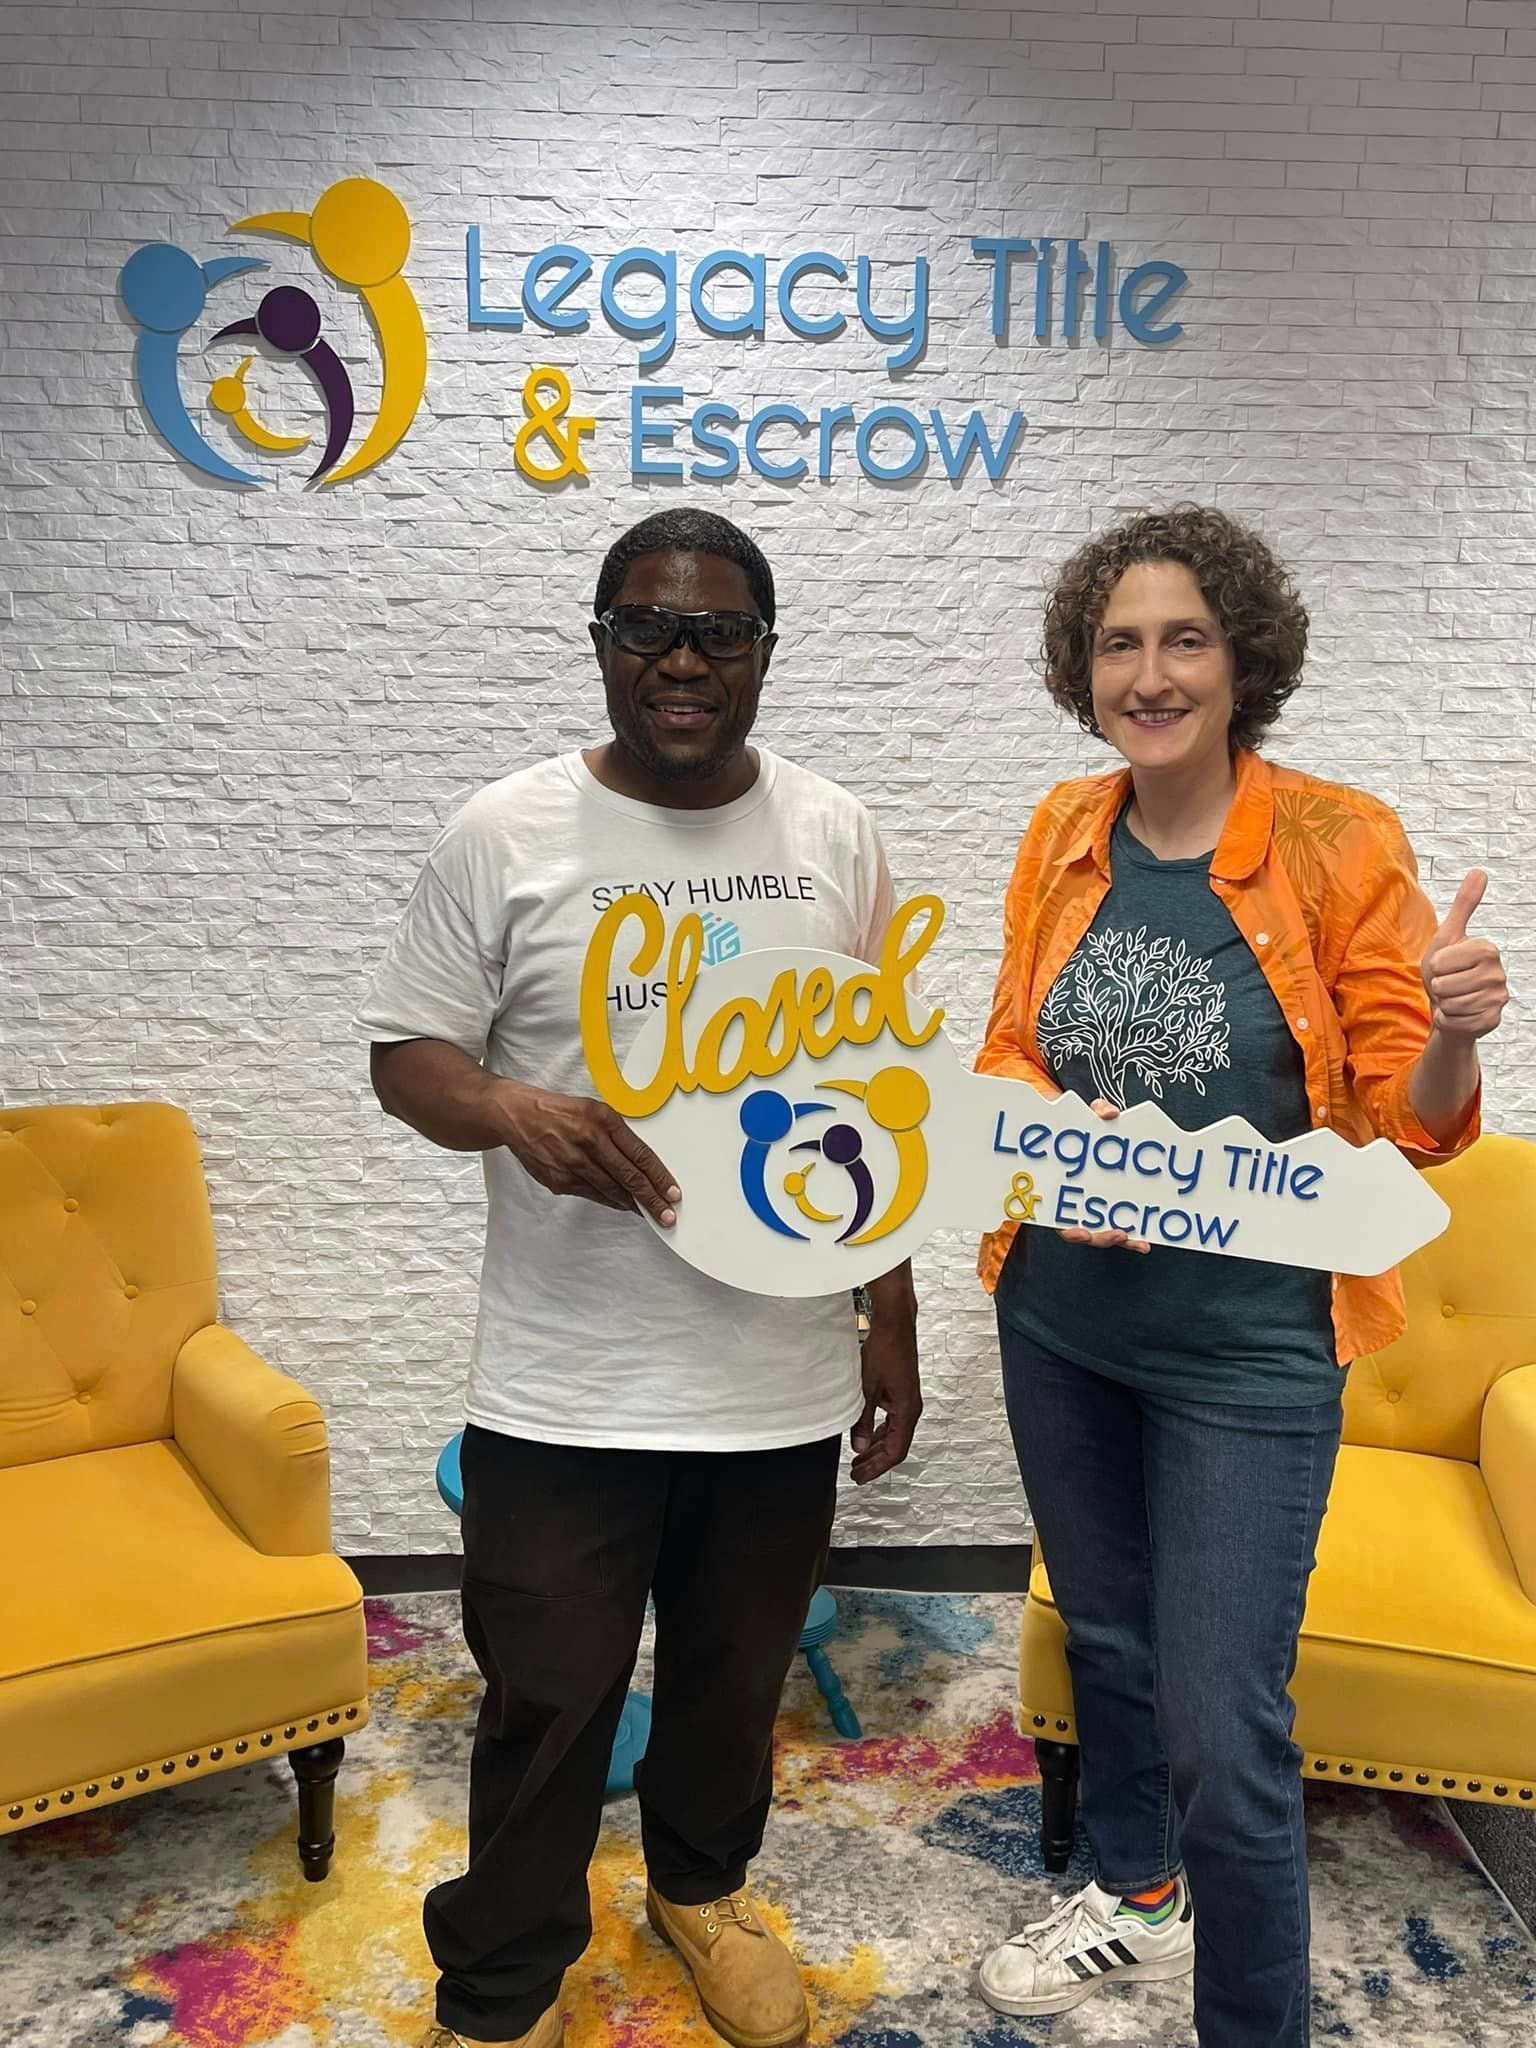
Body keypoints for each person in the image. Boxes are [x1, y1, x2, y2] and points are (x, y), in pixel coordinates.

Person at [359, 507, 922, 2048]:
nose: (682, 662)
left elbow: (876, 1097)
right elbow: (405, 1057)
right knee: (545, 1701)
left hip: (774, 1378)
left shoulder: (833, 836)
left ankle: (702, 1887)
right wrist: (506, 1108)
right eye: (647, 630)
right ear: (602, 643)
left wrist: (892, 1310)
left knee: (736, 1687)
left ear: (763, 653)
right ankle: (505, 1979)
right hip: (564, 1377)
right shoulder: (506, 831)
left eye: (718, 634)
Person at [972, 505, 1509, 2047]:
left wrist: (1462, 1027)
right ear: (1089, 667)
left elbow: (1416, 1128)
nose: (1150, 672)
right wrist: (1061, 1137)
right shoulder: (1064, 830)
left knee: (1228, 1732)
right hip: (1061, 1316)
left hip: (1253, 1350)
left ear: (1241, 659)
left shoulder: (1340, 842)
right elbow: (1013, 1042)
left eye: (1183, 638)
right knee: (1112, 1640)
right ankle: (1137, 1897)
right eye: (1121, 641)